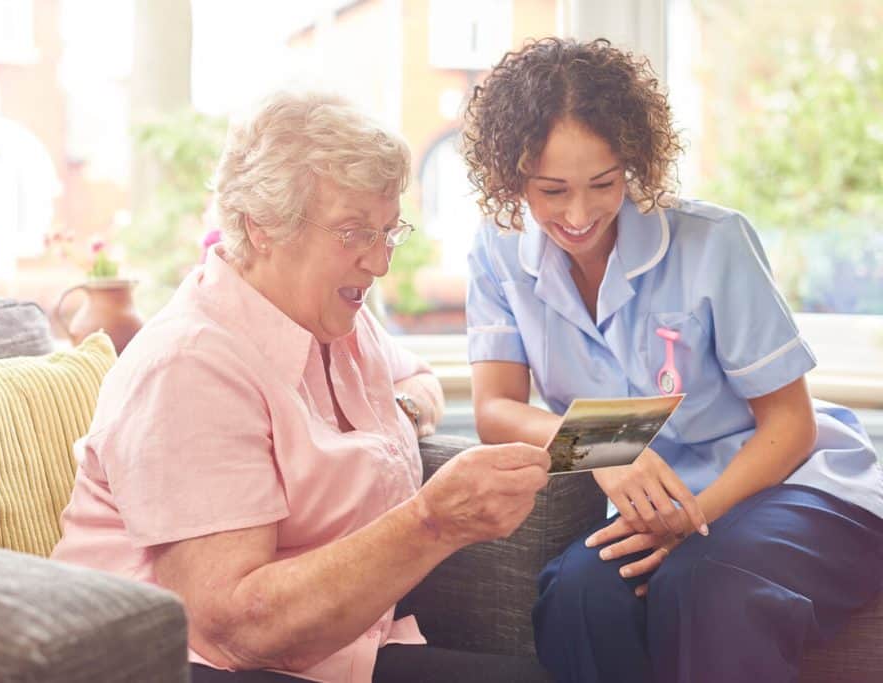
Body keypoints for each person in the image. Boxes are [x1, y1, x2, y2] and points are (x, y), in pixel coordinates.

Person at [51, 89, 551, 683]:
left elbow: (417, 380)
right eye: (353, 232)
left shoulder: (341, 322)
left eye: (389, 231)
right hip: (190, 664)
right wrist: (433, 522)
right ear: (259, 228)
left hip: (341, 652)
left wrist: (402, 413)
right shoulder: (191, 367)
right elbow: (235, 630)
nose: (381, 263)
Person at [461, 37, 883, 683]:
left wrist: (695, 516)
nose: (578, 214)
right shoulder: (497, 253)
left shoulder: (714, 241)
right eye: (551, 191)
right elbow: (494, 410)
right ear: (511, 177)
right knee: (581, 592)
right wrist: (608, 447)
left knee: (708, 581)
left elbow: (789, 425)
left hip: (797, 484)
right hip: (658, 501)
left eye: (603, 183)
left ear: (633, 160)